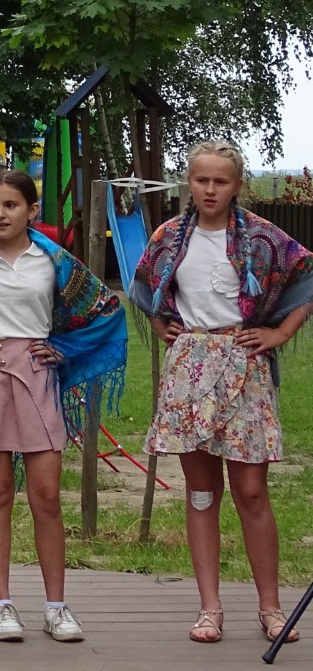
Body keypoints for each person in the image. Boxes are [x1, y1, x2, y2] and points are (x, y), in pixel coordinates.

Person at [0, 170, 125, 644]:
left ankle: (56, 607)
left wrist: (64, 349)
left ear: (31, 210)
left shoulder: (54, 261)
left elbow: (105, 309)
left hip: (36, 378)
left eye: (11, 205)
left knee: (46, 496)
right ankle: (1, 605)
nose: (1, 214)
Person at [131, 141, 312, 644]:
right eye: (201, 180)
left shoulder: (262, 238)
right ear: (189, 182)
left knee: (251, 490)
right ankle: (209, 608)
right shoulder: (170, 236)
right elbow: (144, 284)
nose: (210, 189)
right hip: (190, 368)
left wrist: (281, 332)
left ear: (237, 185)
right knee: (202, 491)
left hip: (244, 366)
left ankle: (271, 608)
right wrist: (161, 322)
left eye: (221, 181)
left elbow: (306, 275)